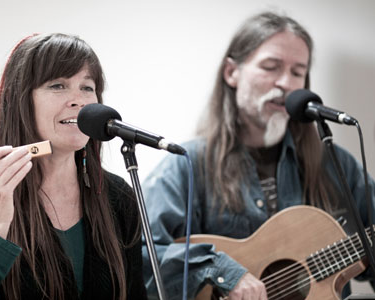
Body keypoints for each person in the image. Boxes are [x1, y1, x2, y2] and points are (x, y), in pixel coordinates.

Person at [142, 11, 375, 300]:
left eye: (297, 72)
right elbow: (142, 254)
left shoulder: (336, 164)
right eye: (271, 67)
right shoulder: (186, 164)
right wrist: (223, 271)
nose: (286, 83)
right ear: (232, 73)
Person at [0, 33, 148, 300]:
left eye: (87, 87)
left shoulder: (117, 195)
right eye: (58, 85)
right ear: (21, 101)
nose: (78, 101)